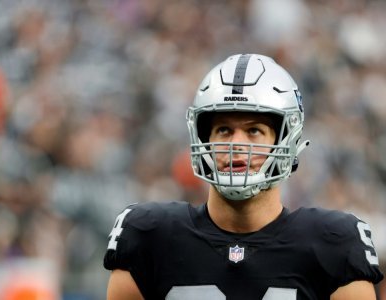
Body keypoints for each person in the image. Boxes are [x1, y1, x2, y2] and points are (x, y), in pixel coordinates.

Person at [103, 54, 384, 299]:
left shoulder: (334, 242)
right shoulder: (149, 236)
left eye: (254, 131)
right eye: (223, 129)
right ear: (203, 138)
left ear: (285, 140)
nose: (237, 144)